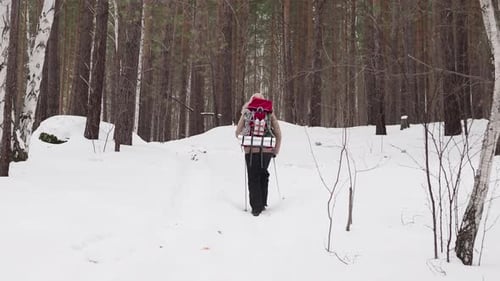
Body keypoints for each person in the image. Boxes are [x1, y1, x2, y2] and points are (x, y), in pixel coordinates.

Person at [235, 93, 282, 216]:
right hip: (267, 150)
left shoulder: (247, 111)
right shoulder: (269, 112)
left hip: (251, 151)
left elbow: (237, 132)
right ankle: (262, 203)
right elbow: (278, 133)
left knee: (253, 177)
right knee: (263, 174)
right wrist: (275, 150)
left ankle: (256, 208)